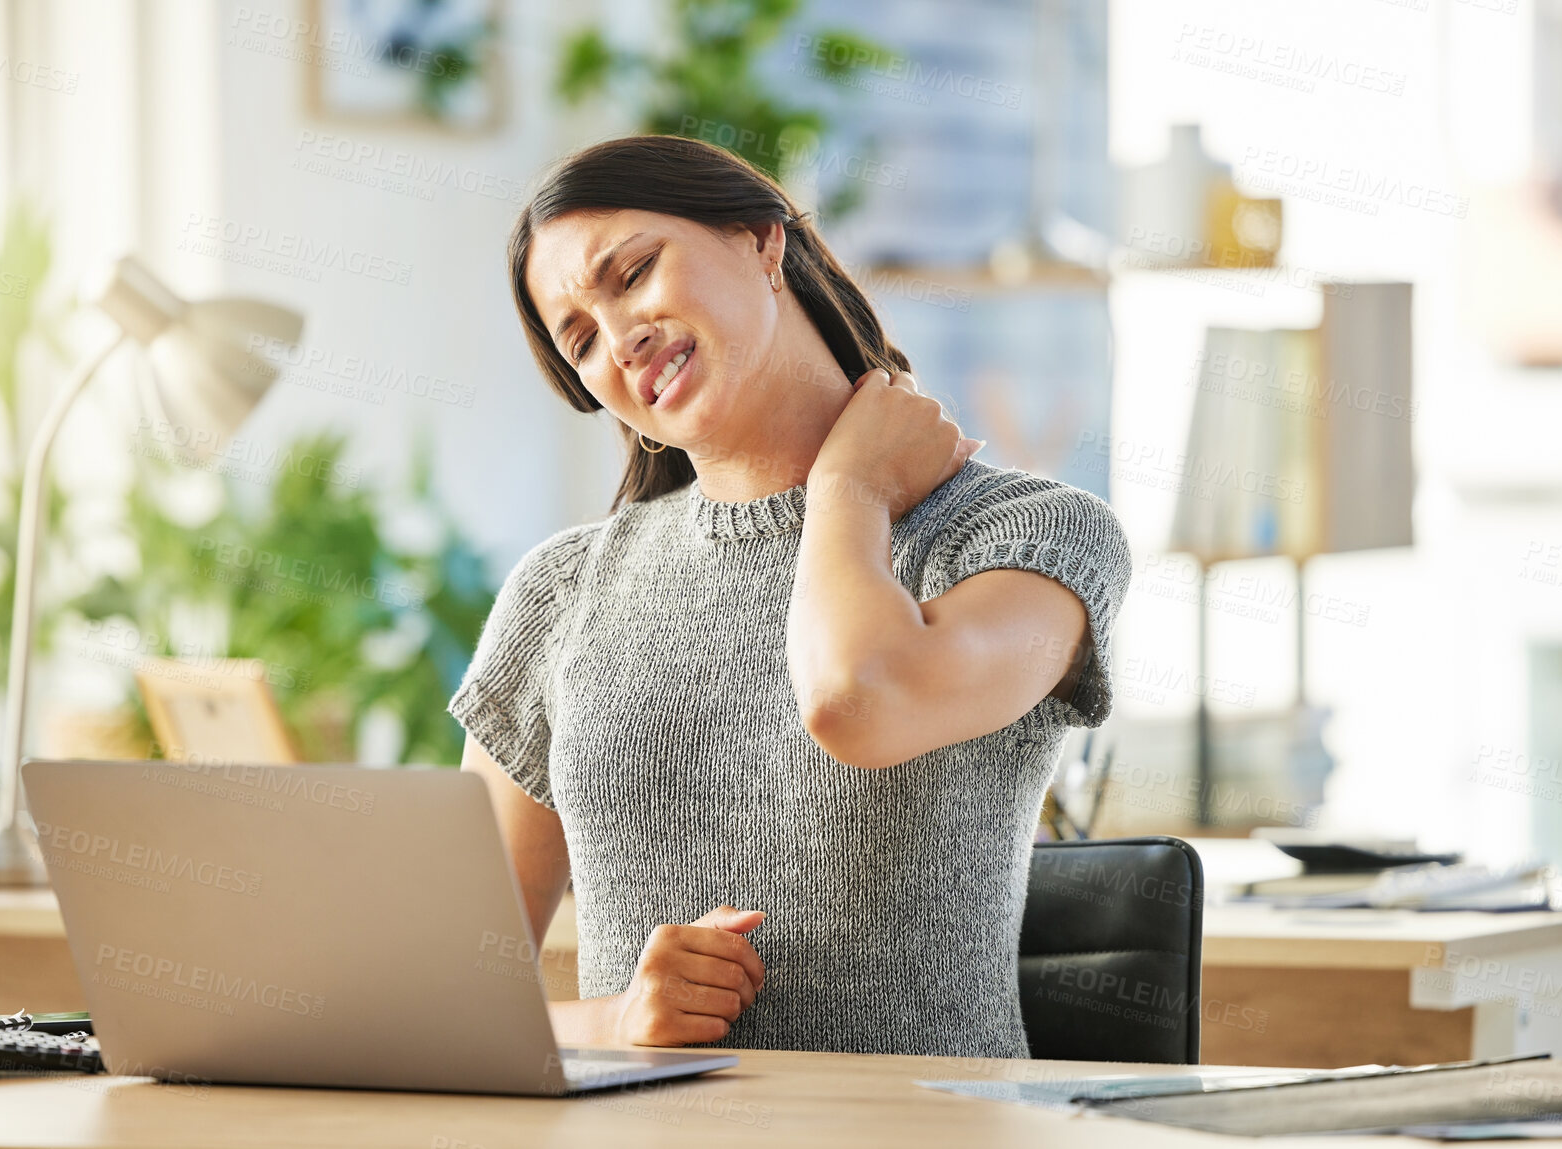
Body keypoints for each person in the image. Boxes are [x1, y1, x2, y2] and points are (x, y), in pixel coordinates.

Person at [449, 135, 1131, 1058]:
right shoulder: (561, 593)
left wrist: (849, 487)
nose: (619, 339)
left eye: (636, 272)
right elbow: (450, 1002)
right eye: (579, 340)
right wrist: (613, 1021)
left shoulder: (1026, 536)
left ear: (760, 241)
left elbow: (859, 699)